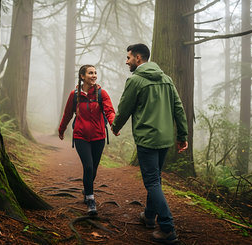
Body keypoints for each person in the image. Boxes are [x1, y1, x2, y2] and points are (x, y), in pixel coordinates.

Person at [111, 44, 188, 244]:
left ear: (138, 58)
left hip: (147, 139)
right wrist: (182, 135)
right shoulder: (167, 79)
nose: (126, 61)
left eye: (128, 57)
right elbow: (178, 108)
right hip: (164, 140)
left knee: (152, 182)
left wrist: (115, 125)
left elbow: (125, 107)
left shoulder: (135, 80)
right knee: (156, 180)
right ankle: (149, 216)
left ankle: (167, 228)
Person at [58, 65, 115, 215]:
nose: (94, 75)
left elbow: (110, 111)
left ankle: (86, 188)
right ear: (82, 76)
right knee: (88, 167)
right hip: (81, 137)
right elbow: (67, 114)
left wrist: (114, 125)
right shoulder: (75, 94)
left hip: (99, 137)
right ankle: (90, 199)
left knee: (93, 168)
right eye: (90, 73)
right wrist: (61, 129)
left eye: (95, 73)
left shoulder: (102, 94)